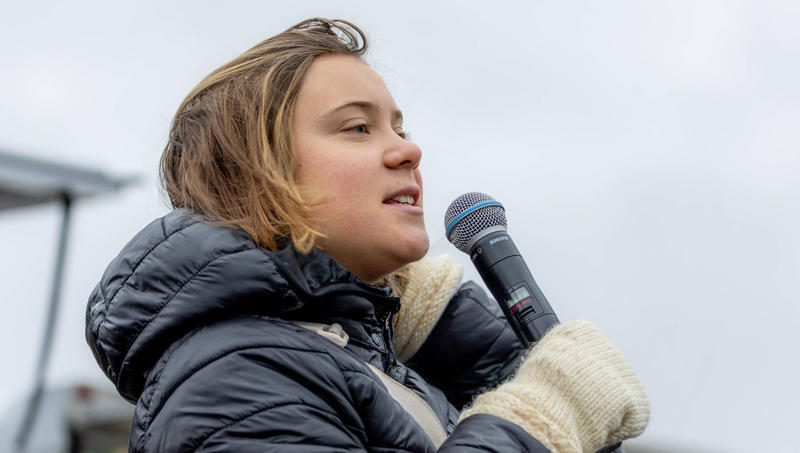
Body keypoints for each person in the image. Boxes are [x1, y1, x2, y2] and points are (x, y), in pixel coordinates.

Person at [85, 18, 650, 452]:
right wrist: (537, 425)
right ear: (257, 176)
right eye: (358, 128)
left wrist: (444, 324)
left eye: (399, 127)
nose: (409, 149)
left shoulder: (365, 362)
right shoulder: (234, 375)